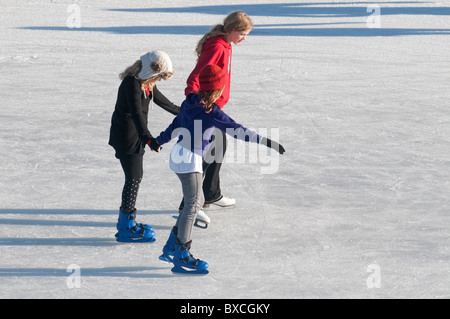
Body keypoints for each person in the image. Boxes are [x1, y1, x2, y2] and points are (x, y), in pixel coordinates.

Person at [151, 65, 285, 274]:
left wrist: (159, 140)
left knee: (194, 201)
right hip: (189, 158)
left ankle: (171, 246)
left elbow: (175, 123)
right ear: (217, 90)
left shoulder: (190, 101)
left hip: (178, 154)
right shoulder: (211, 112)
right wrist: (266, 141)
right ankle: (181, 253)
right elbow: (239, 131)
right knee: (193, 205)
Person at [181, 11, 254, 225]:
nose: (244, 38)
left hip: (214, 105)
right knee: (204, 154)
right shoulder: (217, 46)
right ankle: (189, 205)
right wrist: (193, 100)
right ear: (231, 29)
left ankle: (211, 194)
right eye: (242, 33)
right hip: (206, 106)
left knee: (218, 148)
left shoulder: (225, 44)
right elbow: (196, 75)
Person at [108, 51, 180, 242]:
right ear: (151, 71)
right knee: (133, 178)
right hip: (127, 136)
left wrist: (187, 113)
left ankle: (126, 223)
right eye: (159, 77)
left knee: (135, 177)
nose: (159, 81)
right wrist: (149, 139)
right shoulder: (132, 84)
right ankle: (126, 227)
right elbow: (137, 114)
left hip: (135, 136)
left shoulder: (145, 83)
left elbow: (166, 103)